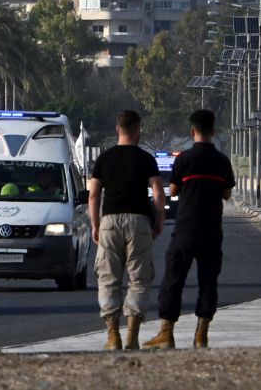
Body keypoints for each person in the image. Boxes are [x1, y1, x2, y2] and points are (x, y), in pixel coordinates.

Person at [145, 108, 235, 350]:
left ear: (192, 131)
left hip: (186, 228)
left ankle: (166, 332)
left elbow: (173, 190)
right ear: (213, 131)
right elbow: (226, 193)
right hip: (212, 229)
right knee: (208, 280)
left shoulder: (183, 160)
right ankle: (201, 334)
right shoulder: (221, 161)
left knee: (174, 277)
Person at [88, 109, 164, 351]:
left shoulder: (103, 159)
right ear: (138, 129)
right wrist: (159, 218)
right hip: (139, 221)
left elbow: (93, 194)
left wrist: (95, 224)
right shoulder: (146, 159)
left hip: (109, 220)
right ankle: (132, 334)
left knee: (108, 278)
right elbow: (159, 192)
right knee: (139, 279)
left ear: (117, 130)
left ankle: (113, 336)